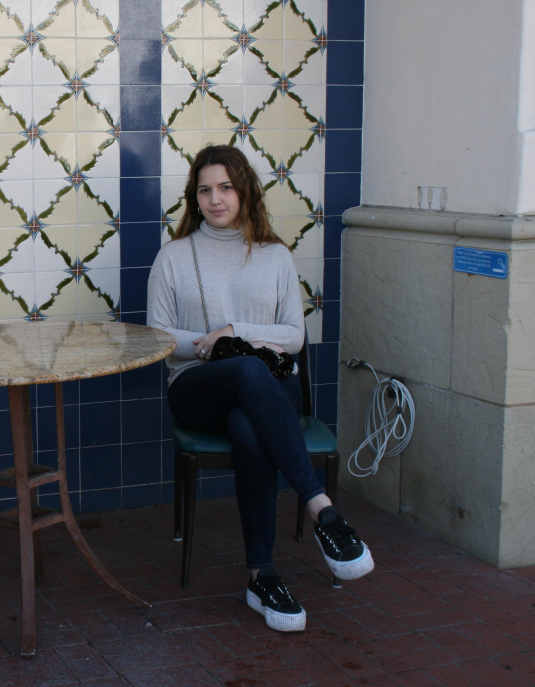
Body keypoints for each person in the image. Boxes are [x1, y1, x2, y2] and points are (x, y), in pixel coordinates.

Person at [147, 145, 374, 632]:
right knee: (247, 371)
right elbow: (161, 340)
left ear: (244, 190)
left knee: (248, 424)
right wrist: (213, 348)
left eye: (225, 187)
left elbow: (294, 336)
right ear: (194, 197)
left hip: (268, 389)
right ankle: (322, 509)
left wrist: (234, 332)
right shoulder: (173, 256)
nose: (215, 199)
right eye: (205, 189)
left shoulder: (274, 256)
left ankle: (261, 576)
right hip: (196, 388)